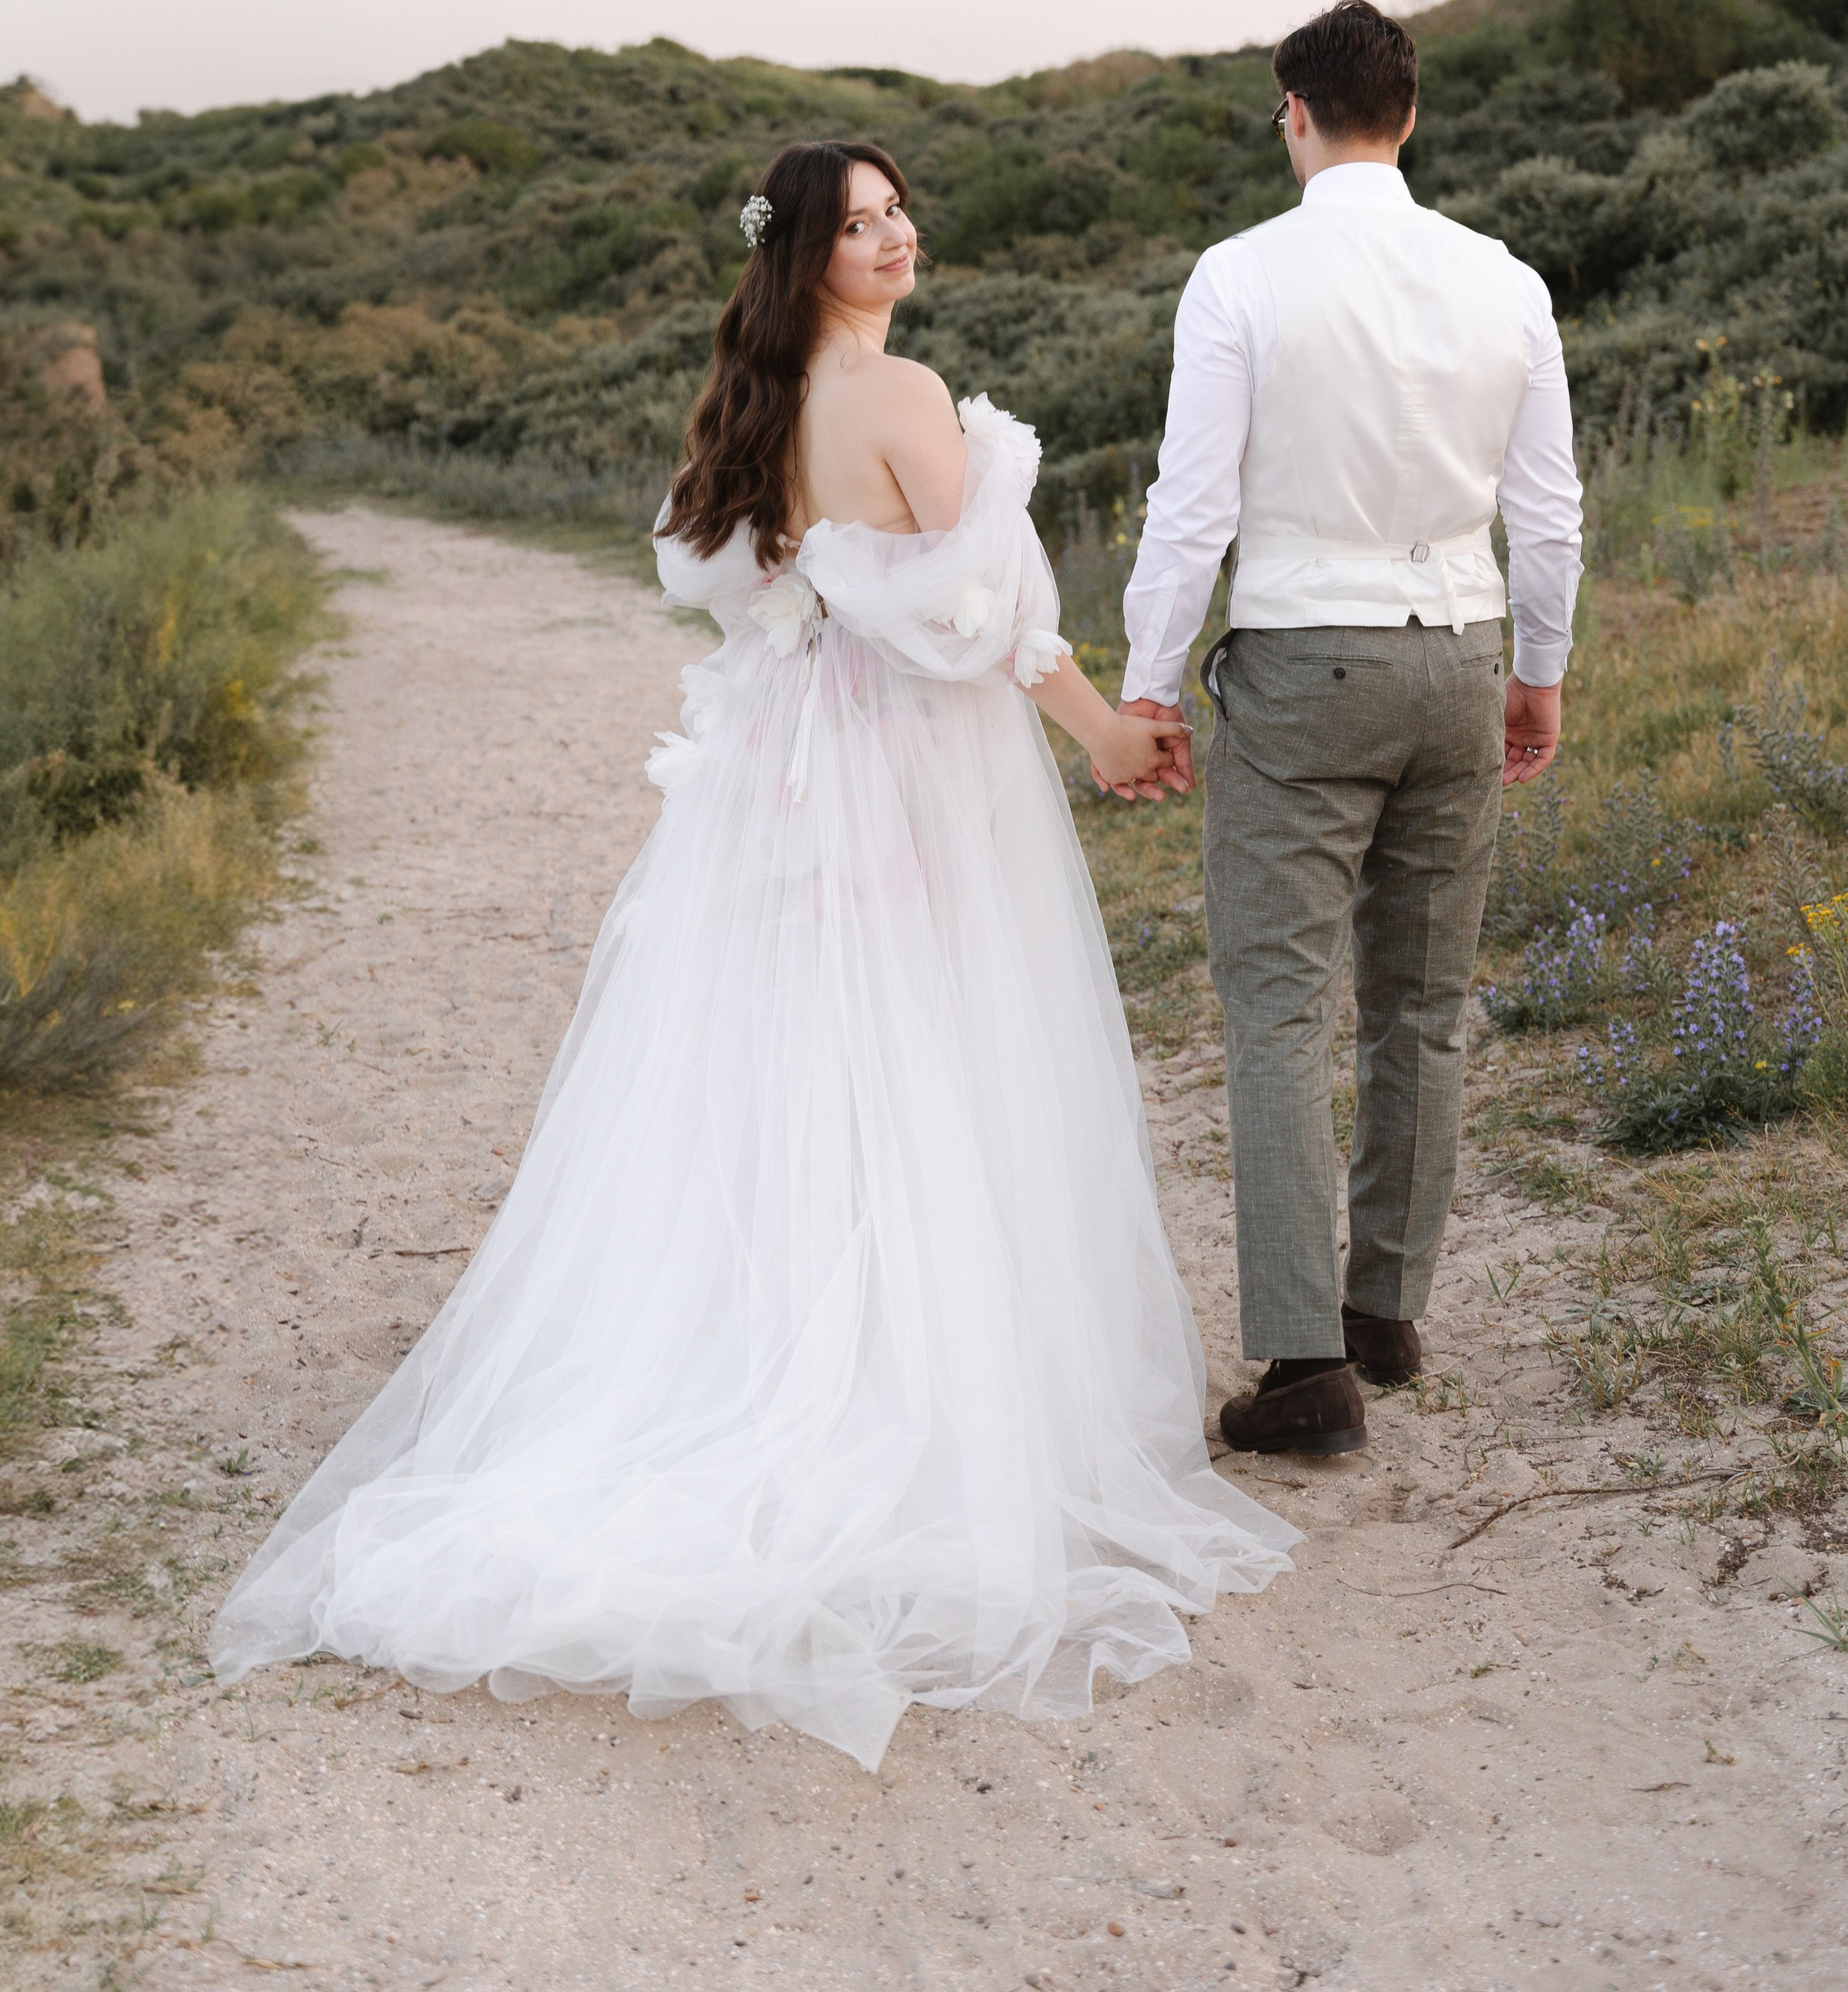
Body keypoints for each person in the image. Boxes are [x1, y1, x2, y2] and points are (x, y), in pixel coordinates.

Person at [209, 139, 1296, 1770]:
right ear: (805, 253)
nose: (895, 237)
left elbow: (784, 597)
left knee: (790, 1065)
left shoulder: (746, 408)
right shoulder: (895, 398)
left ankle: (759, 1355)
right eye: (860, 225)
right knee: (924, 1057)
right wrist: (1098, 735)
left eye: (897, 211)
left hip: (776, 785)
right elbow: (987, 617)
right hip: (902, 783)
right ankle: (889, 1404)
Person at [1115, 0, 1583, 1460]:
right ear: (1412, 115)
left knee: (1274, 1006)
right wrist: (1541, 666)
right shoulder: (1504, 279)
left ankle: (1308, 1365)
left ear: (1294, 115)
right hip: (1457, 655)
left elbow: (1193, 504)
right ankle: (1387, 1310)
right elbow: (1549, 505)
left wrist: (1148, 674)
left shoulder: (1240, 276)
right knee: (1422, 1003)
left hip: (1302, 664)